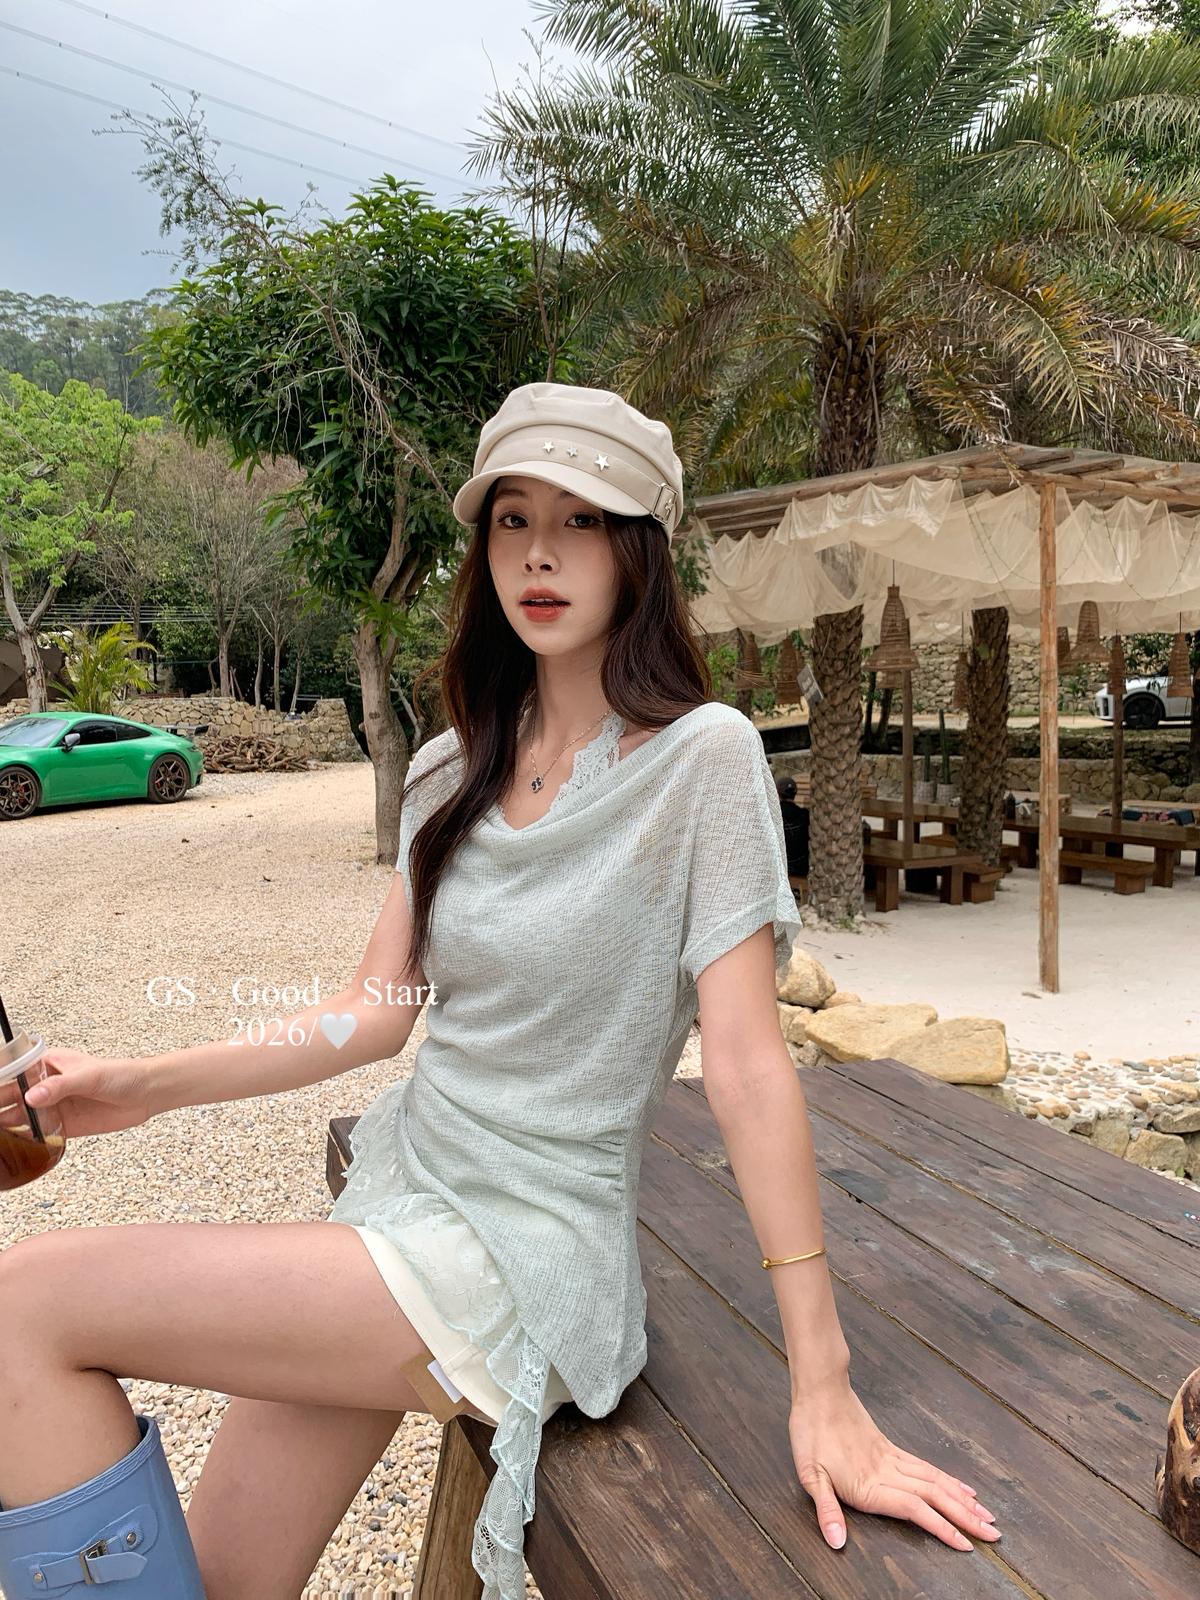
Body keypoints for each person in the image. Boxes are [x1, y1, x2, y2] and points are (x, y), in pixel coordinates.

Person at [0, 383, 1001, 1600]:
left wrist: (823, 1382)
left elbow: (745, 1067)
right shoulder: (446, 768)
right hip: (401, 1194)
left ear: (639, 550)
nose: (538, 551)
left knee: (20, 1304)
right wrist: (141, 1085)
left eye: (580, 519)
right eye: (512, 518)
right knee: (217, 1578)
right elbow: (373, 1010)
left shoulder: (705, 759)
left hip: (523, 1255)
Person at [776, 773, 810, 879]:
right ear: (795, 793)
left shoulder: (773, 815)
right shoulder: (805, 815)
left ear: (778, 793)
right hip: (801, 870)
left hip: (780, 870)